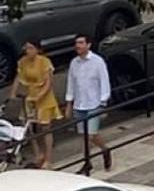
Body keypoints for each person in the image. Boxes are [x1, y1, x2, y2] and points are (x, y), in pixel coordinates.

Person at [8, 40, 59, 168]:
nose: (28, 51)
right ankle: (38, 154)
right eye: (27, 48)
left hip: (44, 97)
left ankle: (49, 158)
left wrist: (39, 96)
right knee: (29, 127)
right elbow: (18, 78)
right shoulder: (23, 62)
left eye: (31, 48)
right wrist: (13, 94)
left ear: (37, 49)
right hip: (30, 96)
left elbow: (49, 82)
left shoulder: (44, 62)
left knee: (45, 128)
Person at [65, 34, 111, 173]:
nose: (78, 46)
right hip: (80, 103)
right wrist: (69, 103)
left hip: (94, 103)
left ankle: (102, 151)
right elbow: (71, 83)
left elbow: (104, 81)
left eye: (81, 43)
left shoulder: (98, 62)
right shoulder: (74, 63)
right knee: (84, 136)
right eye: (76, 43)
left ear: (88, 45)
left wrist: (103, 101)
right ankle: (89, 160)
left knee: (91, 134)